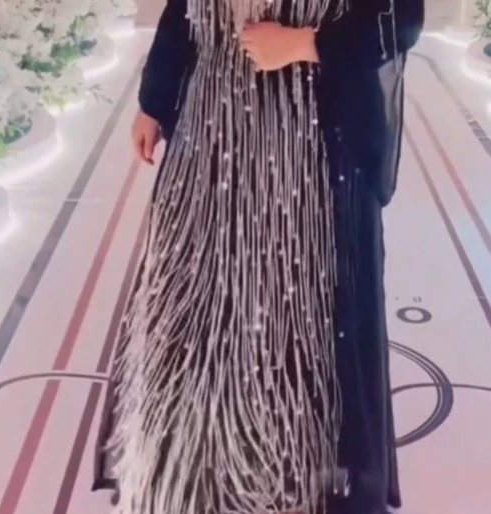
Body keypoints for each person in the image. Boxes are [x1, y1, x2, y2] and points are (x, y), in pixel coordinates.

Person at [93, 1, 424, 513]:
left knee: (288, 319)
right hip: (206, 146)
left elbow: (400, 19)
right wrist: (154, 101)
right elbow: (183, 11)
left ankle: (285, 480)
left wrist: (304, 43)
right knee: (191, 309)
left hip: (307, 162)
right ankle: (189, 476)